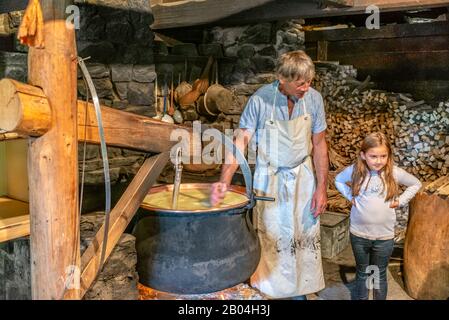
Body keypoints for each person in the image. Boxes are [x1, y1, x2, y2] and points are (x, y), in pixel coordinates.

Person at [210, 50, 329, 299]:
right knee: (272, 235)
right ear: (281, 78)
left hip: (302, 178)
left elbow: (319, 144)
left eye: (309, 82)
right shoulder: (261, 100)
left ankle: (300, 289)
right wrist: (225, 181)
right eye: (300, 83)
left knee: (302, 235)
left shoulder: (314, 100)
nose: (306, 88)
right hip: (270, 179)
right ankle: (269, 293)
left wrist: (321, 188)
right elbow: (240, 143)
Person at [335, 132, 422, 300]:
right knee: (363, 272)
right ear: (363, 155)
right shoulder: (355, 171)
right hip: (359, 234)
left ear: (388, 156)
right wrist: (349, 197)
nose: (378, 160)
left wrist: (401, 201)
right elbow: (338, 180)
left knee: (379, 273)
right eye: (373, 156)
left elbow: (415, 184)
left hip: (384, 236)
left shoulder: (394, 173)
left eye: (383, 156)